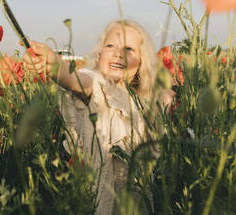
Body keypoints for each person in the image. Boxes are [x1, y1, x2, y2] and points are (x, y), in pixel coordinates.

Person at [23, 19, 170, 215]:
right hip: (99, 199)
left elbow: (155, 131)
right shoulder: (95, 85)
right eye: (110, 46)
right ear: (100, 53)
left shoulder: (140, 102)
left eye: (128, 49)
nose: (118, 53)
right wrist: (54, 65)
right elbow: (75, 80)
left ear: (142, 61)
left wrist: (166, 100)